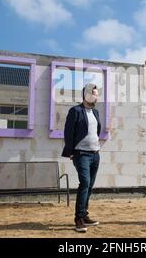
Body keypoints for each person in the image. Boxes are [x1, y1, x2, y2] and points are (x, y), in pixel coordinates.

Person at [61, 83, 101, 233]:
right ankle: (78, 218)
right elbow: (68, 132)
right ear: (86, 95)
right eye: (93, 93)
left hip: (95, 154)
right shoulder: (75, 111)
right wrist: (70, 151)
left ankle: (84, 215)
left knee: (89, 186)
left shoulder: (96, 112)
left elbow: (95, 131)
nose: (96, 96)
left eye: (97, 94)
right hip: (81, 153)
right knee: (84, 182)